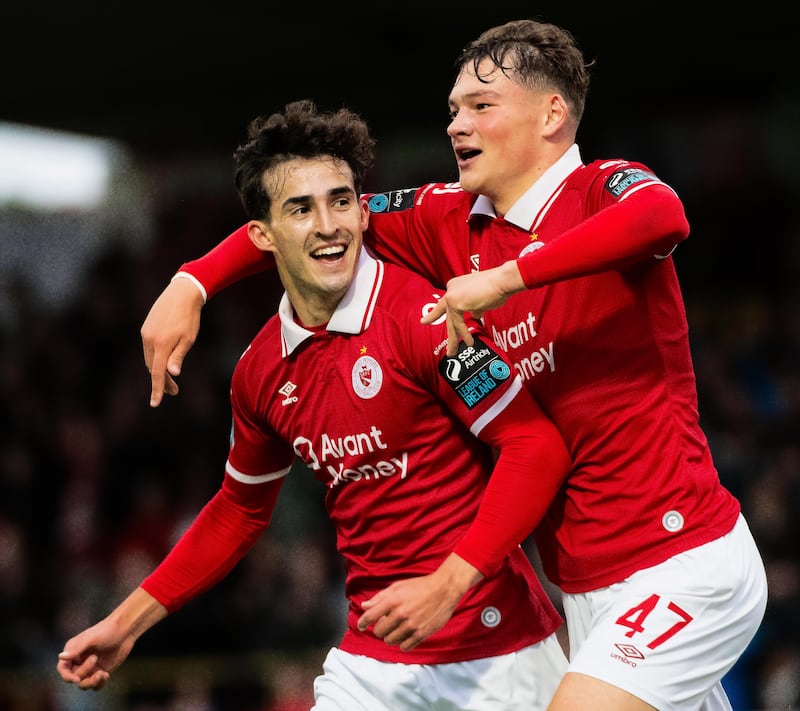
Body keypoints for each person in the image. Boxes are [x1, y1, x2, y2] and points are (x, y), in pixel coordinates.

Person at [138, 18, 769, 711]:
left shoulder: (603, 188)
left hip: (683, 560)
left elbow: (664, 219)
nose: (455, 124)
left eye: (480, 105)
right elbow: (311, 218)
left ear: (552, 113)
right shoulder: (448, 219)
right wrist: (191, 283)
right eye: (451, 110)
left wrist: (509, 278)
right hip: (584, 587)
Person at [58, 100, 573, 710]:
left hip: (498, 650)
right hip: (372, 661)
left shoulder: (429, 318)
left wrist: (450, 582)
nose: (329, 225)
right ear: (260, 236)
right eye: (300, 209)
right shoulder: (259, 372)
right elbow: (238, 513)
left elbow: (535, 445)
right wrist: (127, 623)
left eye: (341, 201)